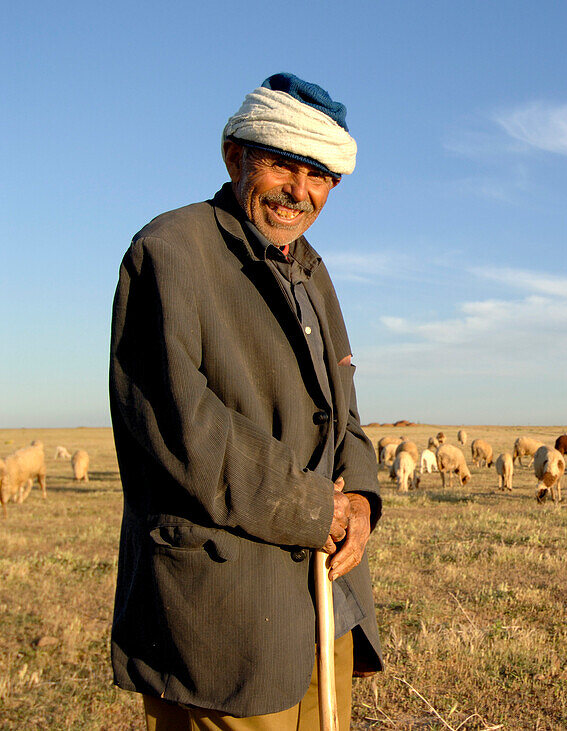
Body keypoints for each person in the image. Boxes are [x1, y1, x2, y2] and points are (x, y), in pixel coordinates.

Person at [108, 73, 382, 729]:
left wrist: (365, 502)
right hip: (225, 620)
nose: (301, 190)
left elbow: (344, 408)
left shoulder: (312, 270)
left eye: (320, 175)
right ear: (235, 154)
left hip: (324, 601)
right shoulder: (170, 253)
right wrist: (322, 507)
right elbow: (187, 432)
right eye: (283, 163)